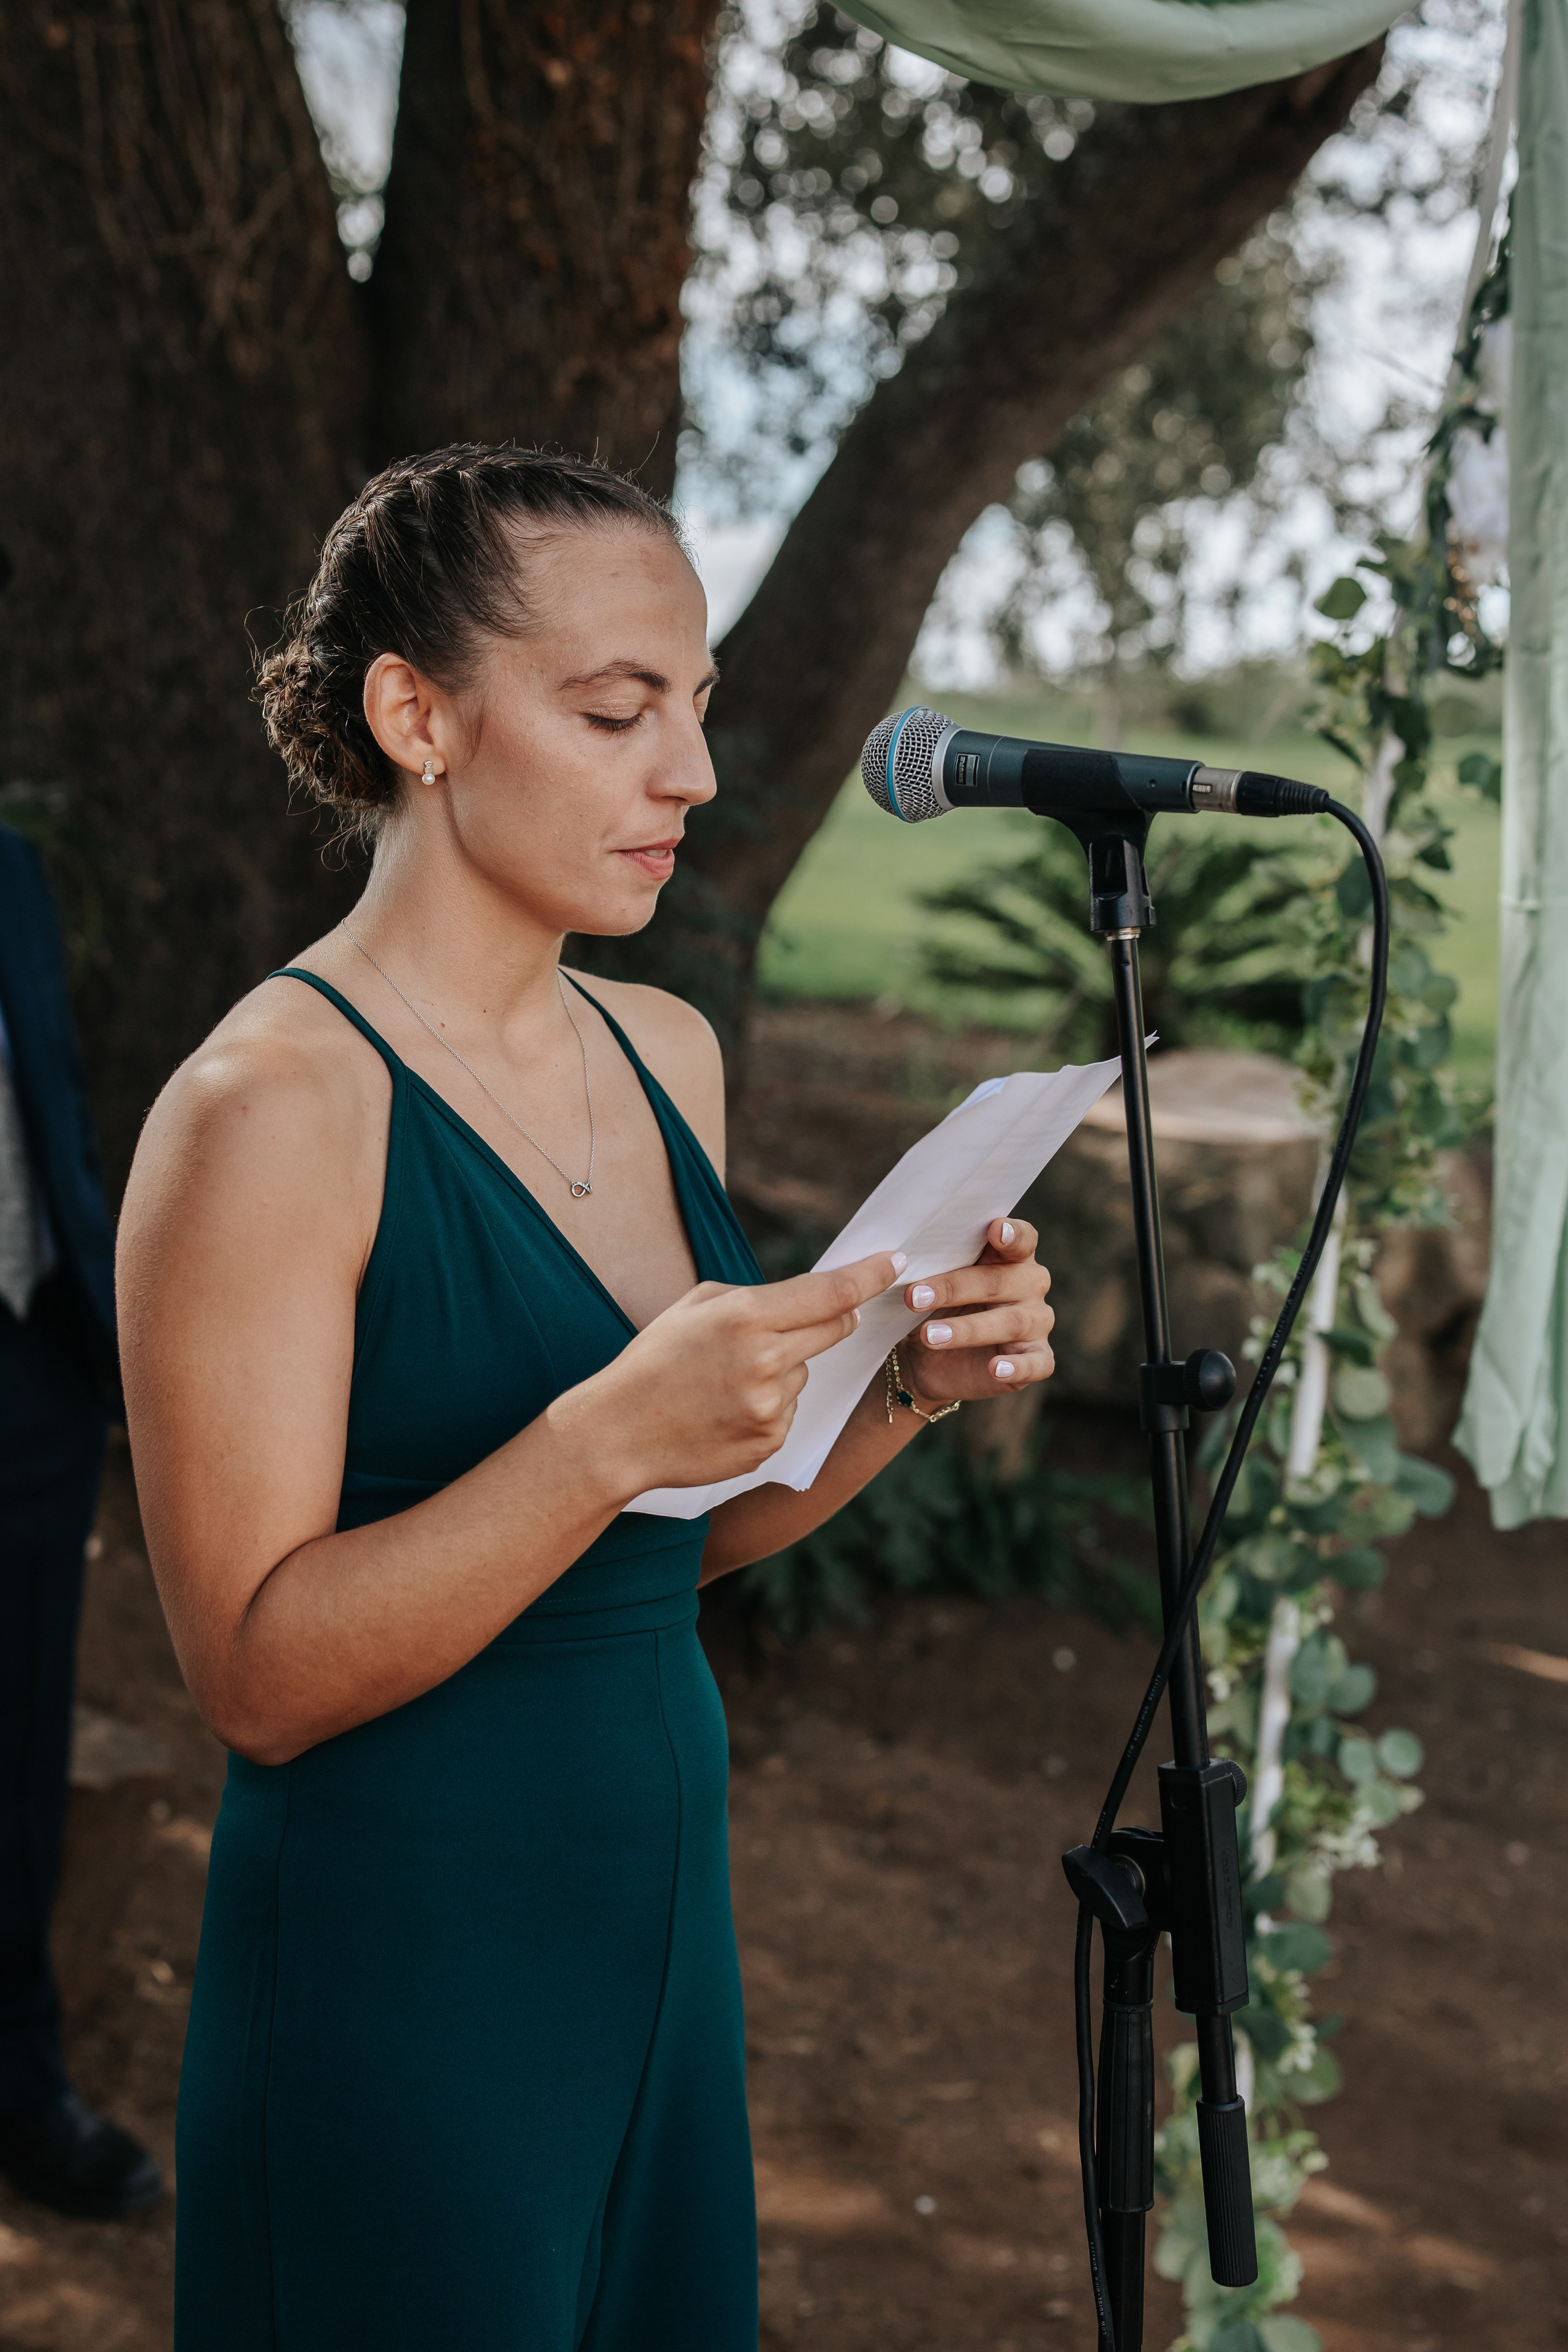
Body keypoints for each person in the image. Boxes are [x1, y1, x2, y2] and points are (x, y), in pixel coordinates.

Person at [115, 445, 1057, 2351]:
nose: (691, 774)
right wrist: (601, 1433)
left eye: (694, 709)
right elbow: (253, 1675)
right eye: (619, 710)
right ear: (418, 716)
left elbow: (667, 1549)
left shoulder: (667, 1050)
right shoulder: (267, 1112)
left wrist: (900, 1394)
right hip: (405, 1956)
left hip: (652, 1921)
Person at [0, 823, 162, 2219]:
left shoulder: (11, 869)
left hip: (32, 1370)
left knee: (18, 1756)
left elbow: (53, 1103)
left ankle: (20, 2082)